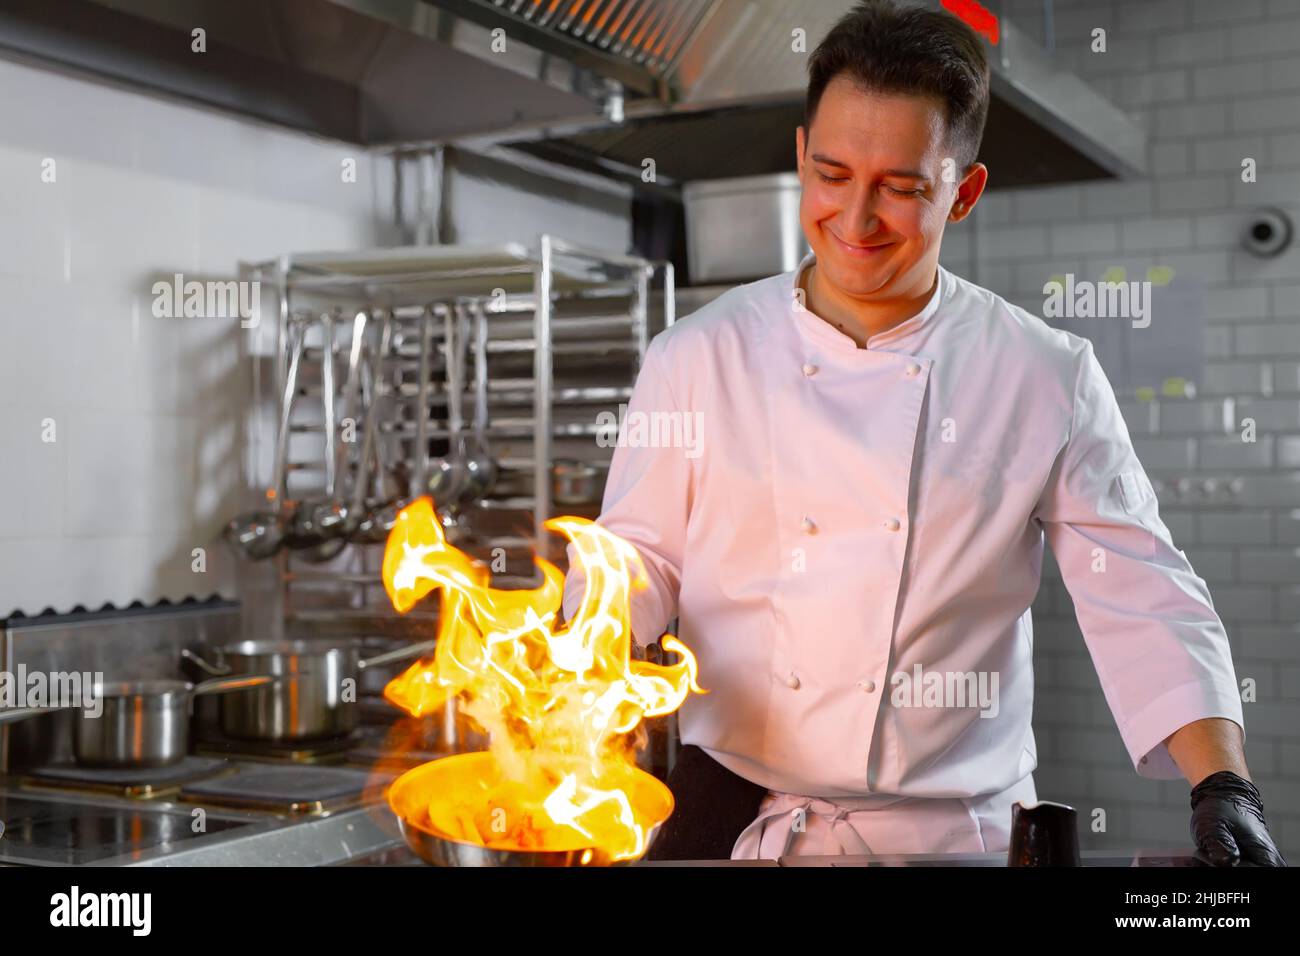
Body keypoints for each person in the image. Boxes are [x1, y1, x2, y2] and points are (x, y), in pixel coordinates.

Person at [561, 0, 1285, 866]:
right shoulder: (697, 355)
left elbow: (1143, 590)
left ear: (964, 191)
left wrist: (1224, 787)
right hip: (745, 825)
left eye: (901, 188)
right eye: (831, 175)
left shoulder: (1043, 372)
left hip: (957, 838)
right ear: (801, 155)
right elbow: (637, 557)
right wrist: (585, 651)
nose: (856, 220)